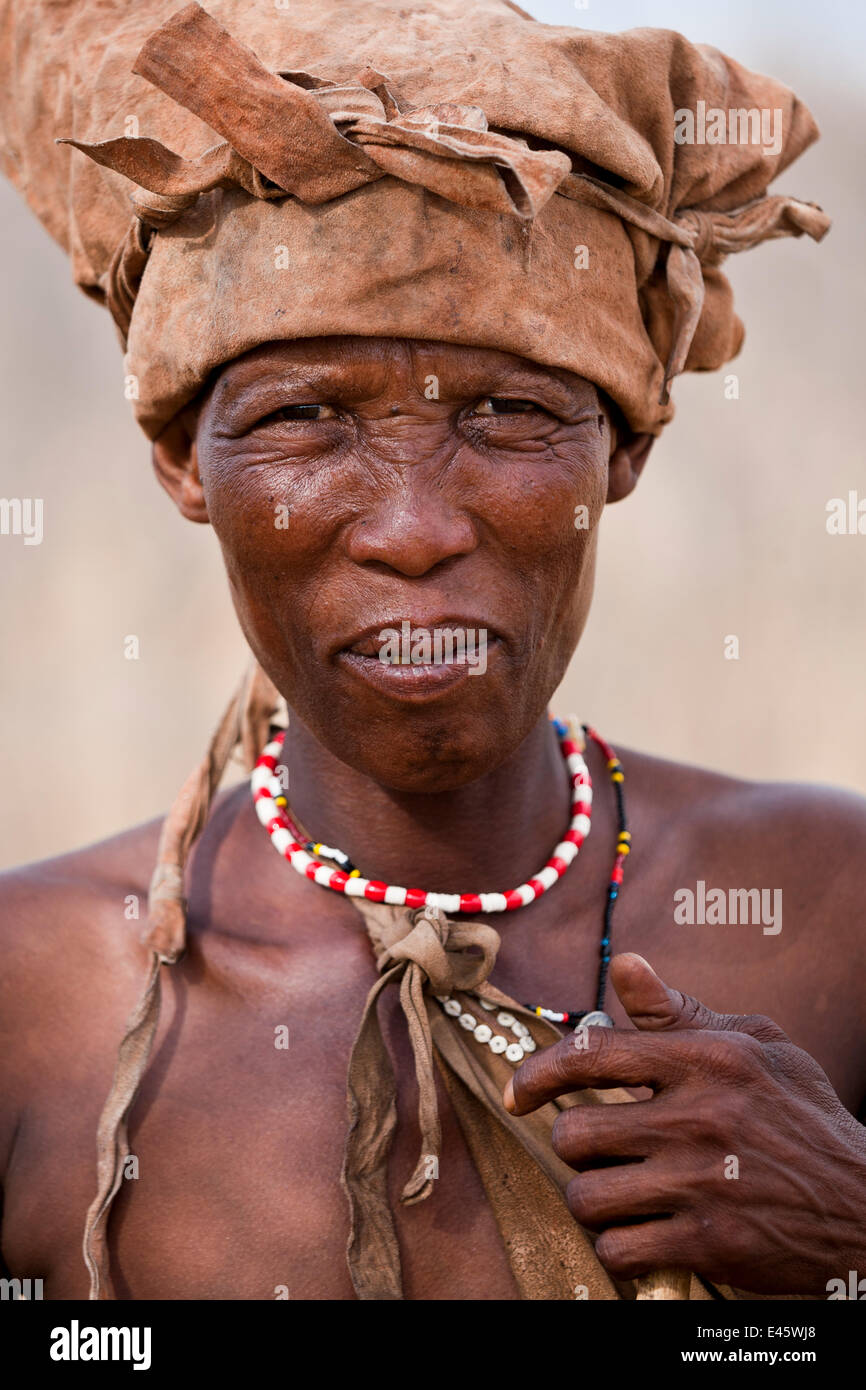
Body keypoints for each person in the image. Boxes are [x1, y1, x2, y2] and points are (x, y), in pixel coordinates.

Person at [0, 0, 862, 1302]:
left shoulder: (830, 909)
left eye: (509, 412)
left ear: (624, 443)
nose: (412, 527)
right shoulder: (35, 1000)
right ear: (183, 458)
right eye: (305, 417)